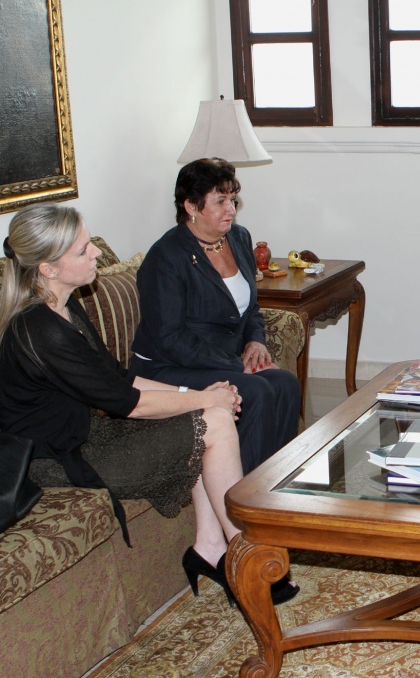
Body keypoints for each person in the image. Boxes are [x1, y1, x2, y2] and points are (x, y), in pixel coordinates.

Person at [0, 204, 297, 605]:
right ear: (48, 268)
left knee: (208, 414)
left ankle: (212, 548)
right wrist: (207, 398)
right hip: (58, 459)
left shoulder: (64, 306)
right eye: (83, 249)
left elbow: (119, 378)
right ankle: (246, 558)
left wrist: (195, 395)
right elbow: (129, 403)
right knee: (212, 420)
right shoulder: (40, 330)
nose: (97, 253)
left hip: (84, 433)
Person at [131, 158, 301, 474]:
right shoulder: (166, 257)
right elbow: (170, 338)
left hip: (219, 358)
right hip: (169, 366)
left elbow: (250, 307)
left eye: (233, 199)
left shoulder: (238, 238)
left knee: (285, 383)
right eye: (220, 201)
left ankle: (277, 479)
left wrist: (254, 341)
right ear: (191, 206)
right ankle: (242, 491)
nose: (231, 210)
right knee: (256, 390)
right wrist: (236, 365)